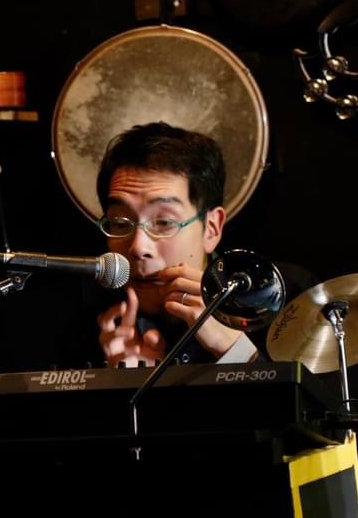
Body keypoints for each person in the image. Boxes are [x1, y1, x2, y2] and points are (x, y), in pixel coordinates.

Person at [92, 121, 263, 368]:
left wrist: (236, 352)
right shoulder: (86, 326)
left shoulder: (279, 304)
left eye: (163, 222)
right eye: (120, 223)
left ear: (212, 228)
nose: (138, 247)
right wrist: (119, 383)